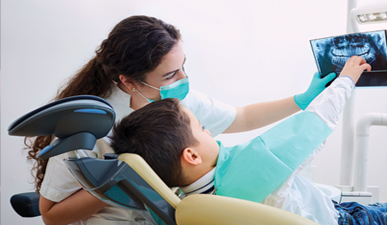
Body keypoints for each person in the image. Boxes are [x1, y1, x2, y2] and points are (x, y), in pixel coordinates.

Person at [24, 15, 336, 224]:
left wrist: (301, 100)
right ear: (129, 81)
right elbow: (51, 215)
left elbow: (241, 117)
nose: (184, 79)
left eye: (183, 66)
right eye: (171, 74)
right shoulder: (88, 128)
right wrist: (122, 180)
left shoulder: (176, 101)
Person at [111, 56, 387, 225]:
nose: (210, 131)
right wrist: (345, 79)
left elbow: (245, 117)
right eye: (203, 129)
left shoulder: (183, 200)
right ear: (191, 155)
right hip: (344, 221)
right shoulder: (251, 171)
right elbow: (311, 127)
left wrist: (300, 96)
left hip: (331, 209)